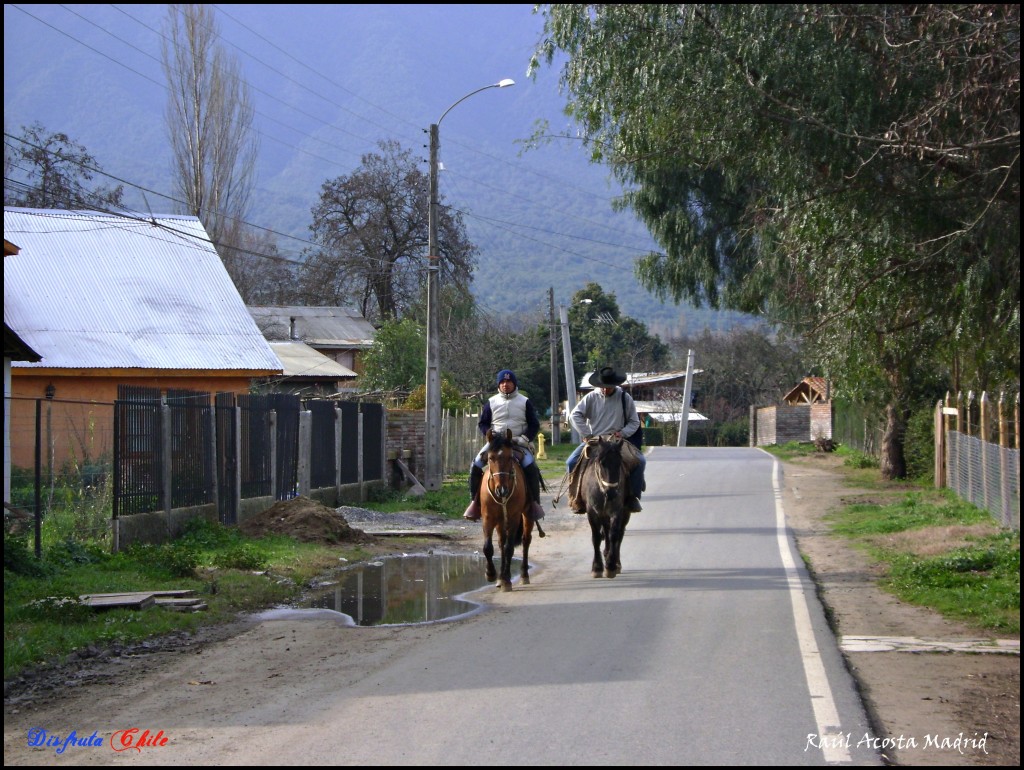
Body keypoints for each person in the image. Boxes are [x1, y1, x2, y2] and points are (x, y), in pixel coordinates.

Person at [463, 369, 546, 522]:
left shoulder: (524, 401)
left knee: (531, 467)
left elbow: (534, 424)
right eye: (502, 382)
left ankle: (534, 503)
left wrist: (525, 438)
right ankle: (475, 503)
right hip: (495, 443)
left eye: (508, 382)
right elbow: (483, 423)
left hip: (517, 443)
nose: (505, 385)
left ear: (514, 384)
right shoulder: (491, 402)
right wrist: (489, 433)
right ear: (499, 385)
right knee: (475, 465)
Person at [567, 366, 646, 512]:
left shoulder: (624, 397)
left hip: (616, 441)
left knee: (640, 461)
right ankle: (576, 497)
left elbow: (634, 421)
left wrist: (622, 433)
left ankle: (632, 497)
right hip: (595, 440)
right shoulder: (590, 397)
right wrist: (586, 434)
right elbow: (574, 415)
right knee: (571, 461)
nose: (605, 390)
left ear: (615, 385)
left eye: (608, 387)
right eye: (602, 387)